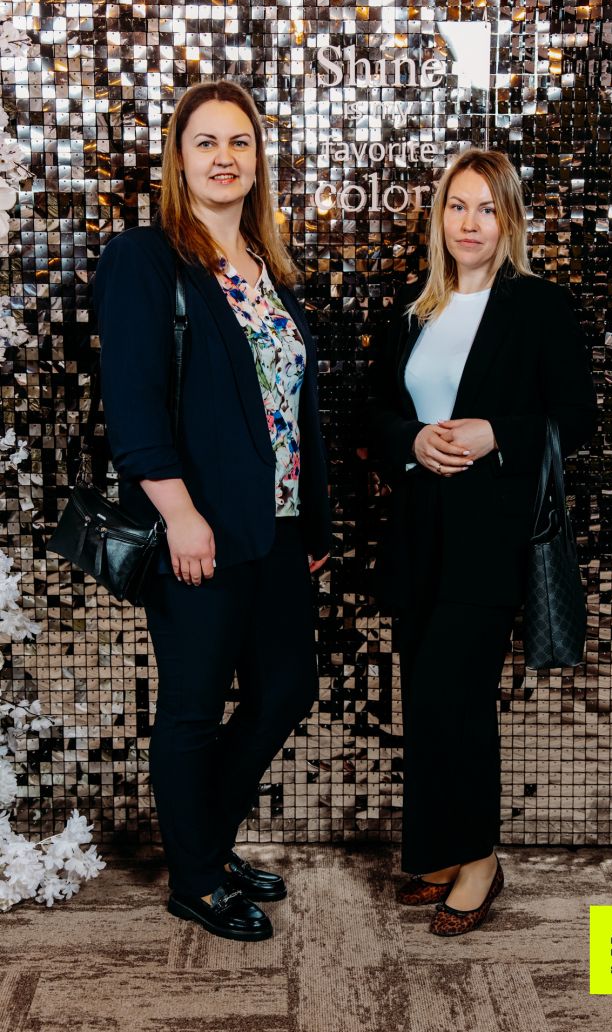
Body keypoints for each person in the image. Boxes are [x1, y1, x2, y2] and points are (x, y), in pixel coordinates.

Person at [94, 80, 330, 942]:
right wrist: (180, 514)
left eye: (240, 142)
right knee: (193, 707)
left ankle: (206, 843)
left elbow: (294, 413)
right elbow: (132, 405)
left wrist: (315, 526)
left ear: (258, 159)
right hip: (198, 527)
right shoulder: (147, 259)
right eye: (206, 142)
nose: (225, 157)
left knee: (286, 689)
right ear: (179, 159)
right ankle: (195, 880)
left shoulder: (269, 271)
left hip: (279, 528)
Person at [369, 147, 597, 936]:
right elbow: (374, 414)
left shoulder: (538, 307)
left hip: (490, 539)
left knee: (458, 696)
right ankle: (440, 852)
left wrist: (497, 432)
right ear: (440, 218)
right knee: (426, 698)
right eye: (457, 207)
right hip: (418, 536)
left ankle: (480, 861)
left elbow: (579, 417)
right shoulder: (415, 310)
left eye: (487, 209)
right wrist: (410, 441)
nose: (470, 223)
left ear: (509, 222)